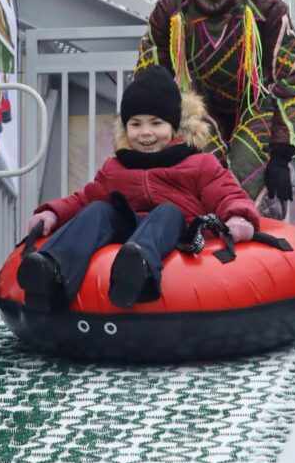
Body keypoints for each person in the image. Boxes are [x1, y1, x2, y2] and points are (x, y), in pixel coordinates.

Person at [19, 68, 260, 312]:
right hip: (129, 234)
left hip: (179, 233)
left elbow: (227, 192)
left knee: (167, 211)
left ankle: (139, 267)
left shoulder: (198, 163)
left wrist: (238, 217)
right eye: (136, 124)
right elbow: (83, 200)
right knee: (98, 210)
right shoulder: (116, 168)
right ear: (125, 128)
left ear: (174, 126)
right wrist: (52, 213)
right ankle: (51, 270)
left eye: (156, 123)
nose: (146, 132)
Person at [136, 0, 295, 220]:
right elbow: (149, 77)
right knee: (204, 170)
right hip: (195, 108)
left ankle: (252, 231)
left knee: (248, 170)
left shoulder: (265, 7)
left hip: (255, 106)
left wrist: (282, 154)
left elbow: (294, 76)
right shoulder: (171, 11)